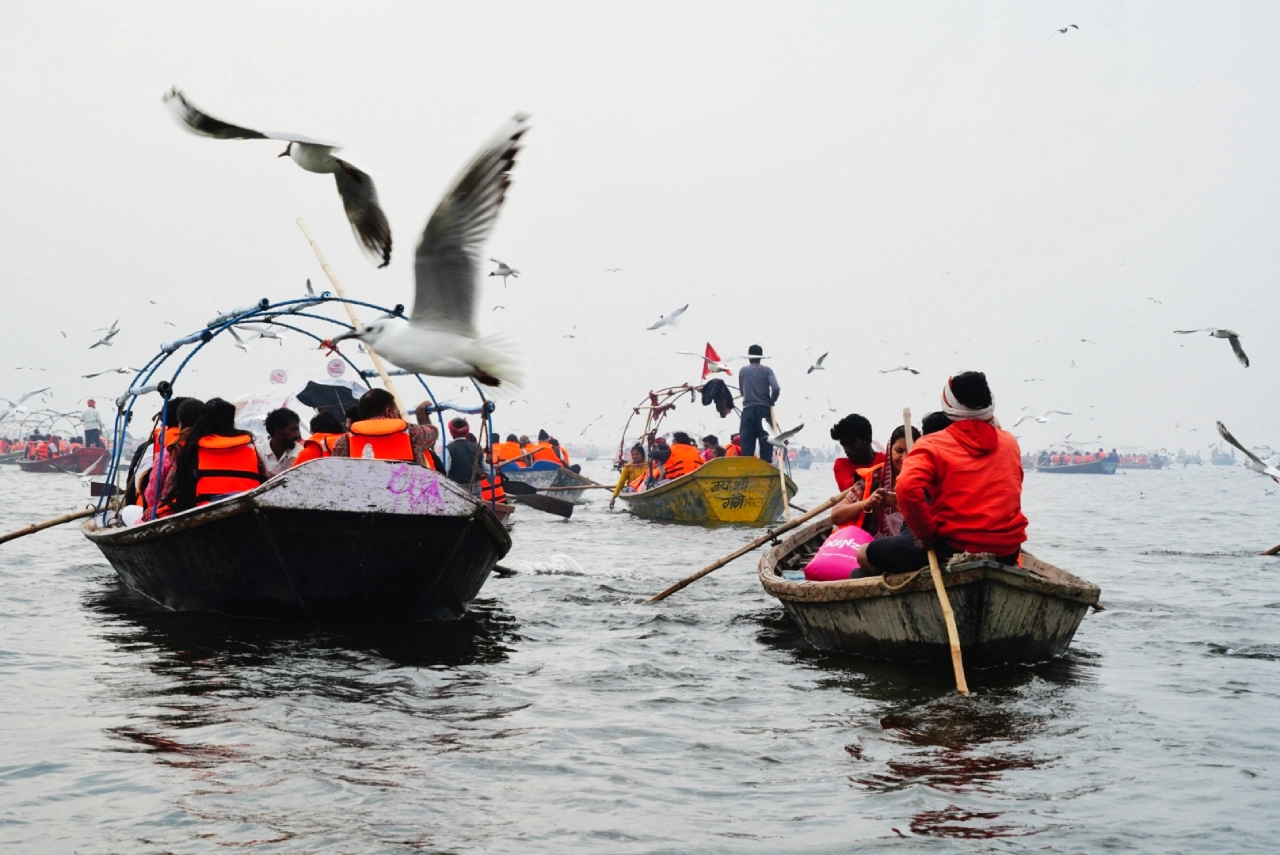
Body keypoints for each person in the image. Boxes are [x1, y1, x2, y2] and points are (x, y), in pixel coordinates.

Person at [856, 372, 1027, 576]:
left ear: (948, 403)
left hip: (953, 549)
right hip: (1008, 551)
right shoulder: (1009, 442)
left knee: (863, 554)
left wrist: (926, 535)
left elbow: (906, 488)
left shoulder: (931, 444)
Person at [166, 398, 268, 514]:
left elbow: (170, 490)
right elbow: (263, 477)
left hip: (204, 516)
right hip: (248, 512)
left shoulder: (191, 449)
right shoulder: (250, 447)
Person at [831, 423, 920, 535]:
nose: (905, 457)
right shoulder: (875, 477)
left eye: (911, 452)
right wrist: (866, 503)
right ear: (890, 450)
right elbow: (835, 516)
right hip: (874, 542)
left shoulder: (928, 478)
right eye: (899, 451)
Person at [330, 388, 440, 468]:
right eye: (397, 412)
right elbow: (433, 432)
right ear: (389, 412)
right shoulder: (414, 434)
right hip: (406, 492)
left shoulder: (344, 443)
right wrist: (420, 412)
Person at [736, 344, 781, 462]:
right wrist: (772, 401)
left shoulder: (743, 371)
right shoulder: (767, 370)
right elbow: (776, 388)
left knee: (747, 451)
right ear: (761, 357)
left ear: (749, 356)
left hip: (748, 412)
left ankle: (748, 470)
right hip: (764, 412)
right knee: (766, 451)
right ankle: (766, 469)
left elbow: (742, 392)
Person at [830, 413, 884, 492]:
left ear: (868, 439)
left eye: (851, 444)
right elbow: (846, 488)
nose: (846, 450)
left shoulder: (888, 460)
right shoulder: (842, 464)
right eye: (843, 445)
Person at [262, 407, 302, 475]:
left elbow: (290, 468)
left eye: (297, 430)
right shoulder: (258, 452)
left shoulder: (298, 448)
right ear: (277, 430)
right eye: (293, 430)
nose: (297, 435)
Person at [610, 444, 648, 509]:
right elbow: (621, 482)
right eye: (633, 454)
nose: (634, 456)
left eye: (637, 454)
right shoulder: (628, 466)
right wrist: (613, 498)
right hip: (633, 489)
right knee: (630, 489)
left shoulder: (648, 464)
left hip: (646, 487)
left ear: (642, 455)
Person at [444, 417, 480, 484]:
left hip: (456, 486)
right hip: (475, 486)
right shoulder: (477, 447)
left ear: (451, 432)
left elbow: (445, 470)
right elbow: (488, 469)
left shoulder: (448, 449)